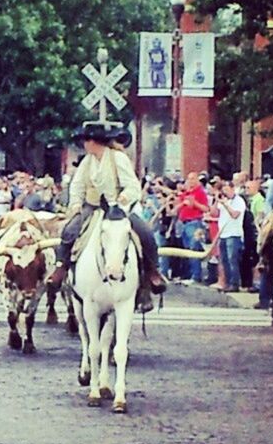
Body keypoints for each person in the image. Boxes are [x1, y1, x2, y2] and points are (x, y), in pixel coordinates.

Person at [47, 123, 165, 312]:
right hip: (92, 207)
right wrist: (76, 204)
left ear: (94, 141)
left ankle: (152, 273)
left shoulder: (118, 159)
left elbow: (132, 186)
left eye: (86, 140)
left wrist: (123, 200)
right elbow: (77, 186)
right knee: (69, 230)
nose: (84, 144)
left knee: (145, 233)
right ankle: (61, 268)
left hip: (118, 209)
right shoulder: (87, 161)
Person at [176, 171, 209, 284]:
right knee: (186, 250)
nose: (190, 181)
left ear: (197, 180)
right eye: (189, 179)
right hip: (183, 223)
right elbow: (177, 207)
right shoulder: (185, 193)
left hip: (194, 223)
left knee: (193, 248)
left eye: (193, 179)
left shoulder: (200, 193)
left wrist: (194, 203)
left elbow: (205, 208)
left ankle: (196, 276)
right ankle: (188, 274)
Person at [216, 181, 246, 292]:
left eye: (227, 189)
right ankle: (228, 283)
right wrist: (216, 200)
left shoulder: (239, 201)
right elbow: (214, 213)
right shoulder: (224, 201)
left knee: (232, 260)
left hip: (233, 234)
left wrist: (225, 204)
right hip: (222, 234)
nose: (225, 192)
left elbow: (235, 215)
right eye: (224, 190)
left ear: (233, 189)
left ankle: (235, 284)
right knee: (224, 260)